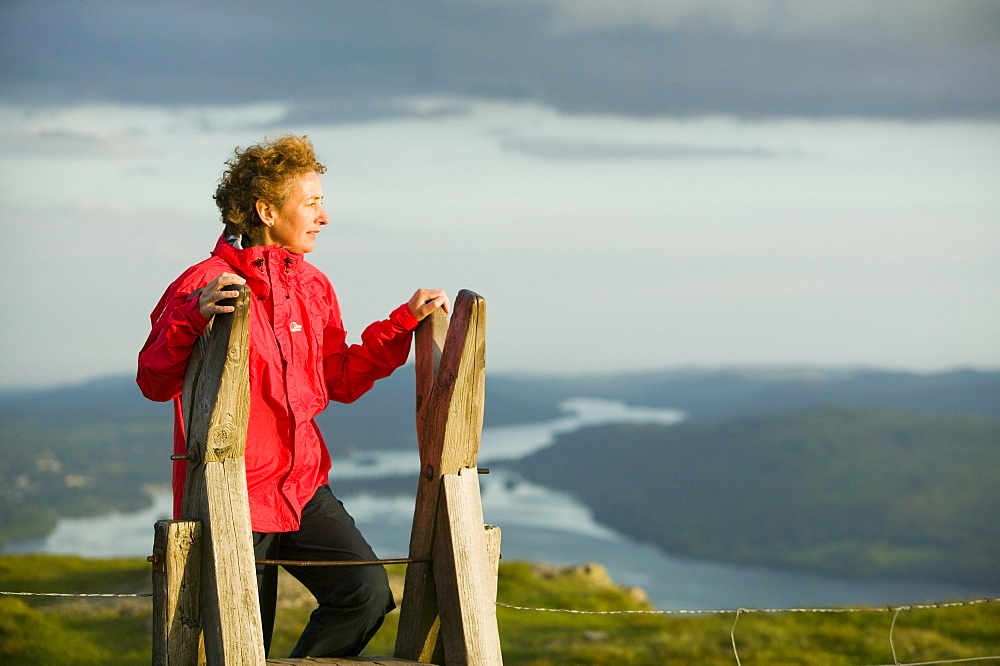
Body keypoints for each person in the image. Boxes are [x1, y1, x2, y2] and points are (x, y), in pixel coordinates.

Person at [137, 134, 449, 657]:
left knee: (365, 596)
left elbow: (341, 379)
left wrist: (402, 325)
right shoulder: (205, 282)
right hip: (229, 494)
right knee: (241, 644)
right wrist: (192, 316)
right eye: (312, 202)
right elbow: (153, 379)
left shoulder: (314, 286)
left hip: (302, 487)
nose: (324, 216)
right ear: (265, 209)